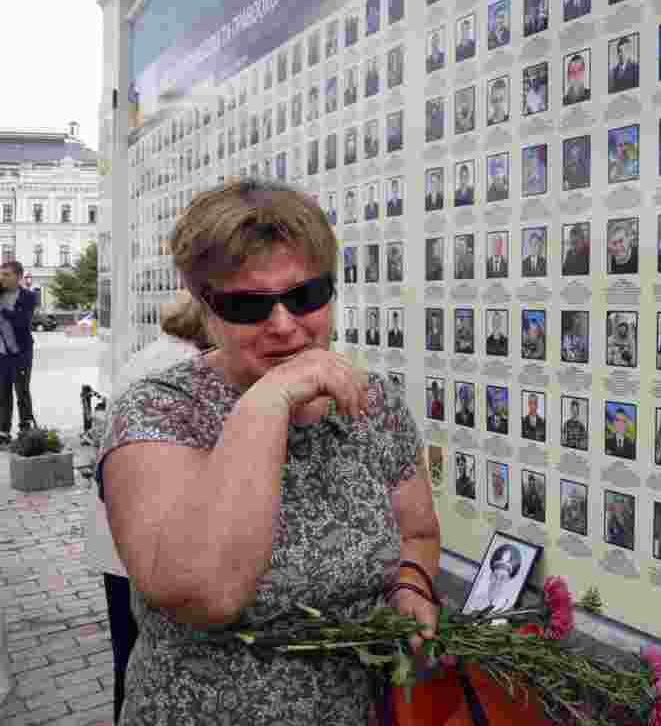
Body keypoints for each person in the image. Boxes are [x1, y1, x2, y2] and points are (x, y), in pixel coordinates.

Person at [97, 179, 439, 725]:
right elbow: (204, 592)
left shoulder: (374, 404)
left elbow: (417, 531)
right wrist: (268, 401)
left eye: (305, 296)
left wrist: (411, 586)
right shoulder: (157, 412)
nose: (284, 325)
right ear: (205, 309)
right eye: (249, 306)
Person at [94, 290, 211, 724]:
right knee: (141, 653)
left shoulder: (153, 353)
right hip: (142, 537)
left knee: (126, 652)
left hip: (118, 533)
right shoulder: (182, 366)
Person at [0, 261, 37, 443]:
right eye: (1, 274)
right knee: (2, 393)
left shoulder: (28, 296)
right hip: (2, 353)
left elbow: (22, 322)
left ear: (18, 276)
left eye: (7, 274)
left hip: (21, 353)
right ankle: (3, 432)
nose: (2, 278)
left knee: (22, 392)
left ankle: (25, 430)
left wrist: (4, 311)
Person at [466, 543, 522, 612]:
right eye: (495, 576)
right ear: (490, 576)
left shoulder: (507, 608)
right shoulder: (474, 601)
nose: (497, 582)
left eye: (502, 578)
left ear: (507, 581)